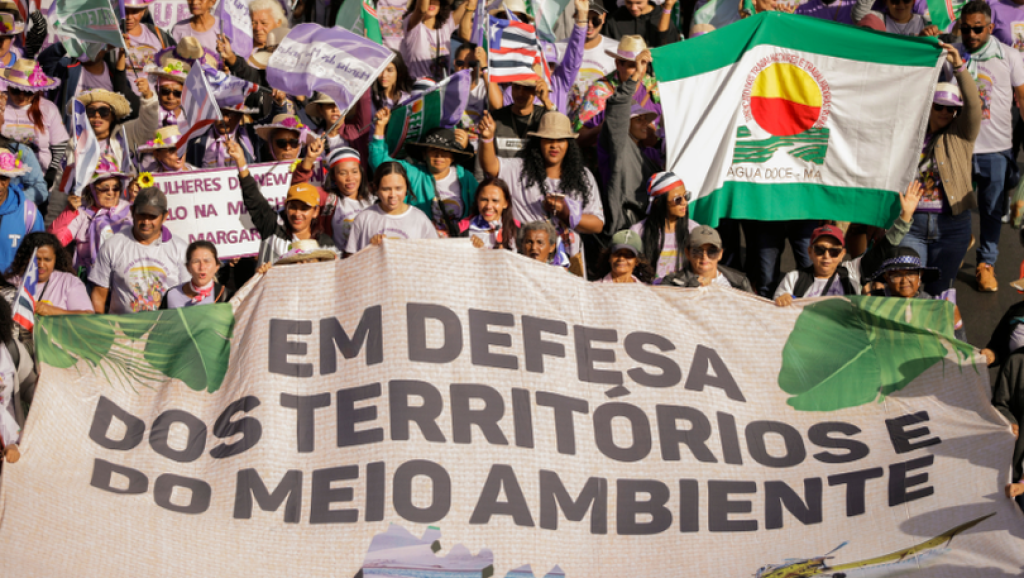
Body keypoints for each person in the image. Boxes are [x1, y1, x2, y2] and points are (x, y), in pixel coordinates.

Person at [898, 49, 981, 296]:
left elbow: (974, 106)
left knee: (940, 293)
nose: (945, 112)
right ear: (928, 106)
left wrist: (959, 68)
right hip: (911, 225)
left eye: (951, 109)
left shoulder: (961, 134)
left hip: (952, 227)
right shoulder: (908, 132)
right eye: (939, 106)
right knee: (907, 290)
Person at [479, 110, 605, 272]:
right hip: (526, 263)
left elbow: (597, 225)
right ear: (538, 142)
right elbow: (490, 166)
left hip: (568, 265)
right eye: (548, 139)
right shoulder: (519, 169)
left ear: (569, 144)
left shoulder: (583, 176)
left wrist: (566, 213)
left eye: (560, 140)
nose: (554, 145)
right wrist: (487, 138)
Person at [956, 0, 1024, 291]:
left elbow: (1022, 98)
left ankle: (986, 264)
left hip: (996, 148)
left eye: (977, 29)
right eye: (966, 29)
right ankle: (959, 243)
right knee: (953, 206)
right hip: (958, 146)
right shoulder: (952, 54)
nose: (971, 35)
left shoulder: (1010, 56)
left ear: (990, 27)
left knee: (992, 210)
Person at [774, 184, 921, 305]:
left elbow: (884, 249)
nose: (826, 256)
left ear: (842, 254)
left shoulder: (852, 272)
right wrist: (781, 300)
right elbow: (776, 314)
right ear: (810, 252)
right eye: (820, 250)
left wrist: (905, 216)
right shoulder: (794, 278)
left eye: (834, 252)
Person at [226, 139, 336, 266]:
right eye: (293, 207)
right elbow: (253, 197)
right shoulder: (272, 227)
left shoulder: (324, 242)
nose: (297, 213)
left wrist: (309, 159)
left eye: (304, 208)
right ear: (286, 207)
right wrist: (240, 161)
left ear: (316, 211)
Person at [371, 112, 478, 236]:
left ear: (453, 156)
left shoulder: (466, 178)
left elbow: (479, 207)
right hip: (420, 240)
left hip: (457, 242)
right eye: (433, 150)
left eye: (445, 151)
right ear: (424, 154)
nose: (439, 155)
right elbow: (380, 163)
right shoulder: (413, 173)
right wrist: (380, 127)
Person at [88, 187, 189, 314]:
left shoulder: (180, 248)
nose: (146, 221)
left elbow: (189, 294)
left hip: (168, 325)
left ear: (165, 216)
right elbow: (99, 294)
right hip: (122, 325)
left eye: (152, 216)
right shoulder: (112, 245)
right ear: (132, 211)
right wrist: (100, 325)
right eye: (141, 214)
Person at [601, 49, 661, 235]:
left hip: (648, 227)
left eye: (646, 119)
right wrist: (637, 74)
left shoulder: (650, 153)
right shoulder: (618, 145)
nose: (645, 124)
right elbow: (616, 106)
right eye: (638, 119)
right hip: (623, 227)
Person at [50, 155, 132, 275]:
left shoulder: (130, 211)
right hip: (88, 277)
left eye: (116, 188)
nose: (111, 193)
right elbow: (54, 242)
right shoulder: (81, 213)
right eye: (104, 188)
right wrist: (69, 211)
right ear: (91, 188)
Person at [574, 35, 661, 147]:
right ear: (618, 64)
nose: (639, 70)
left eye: (643, 63)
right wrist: (603, 127)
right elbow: (578, 138)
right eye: (633, 65)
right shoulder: (600, 91)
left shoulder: (656, 90)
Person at [344, 161, 439, 255]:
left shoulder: (419, 219)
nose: (393, 195)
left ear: (406, 187)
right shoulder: (363, 218)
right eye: (386, 189)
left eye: (398, 188)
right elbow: (350, 258)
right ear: (376, 188)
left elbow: (435, 253)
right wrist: (370, 248)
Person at [0, 59, 67, 170]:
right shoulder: (1, 101)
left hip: (38, 173)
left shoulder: (48, 108)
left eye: (28, 92)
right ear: (8, 86)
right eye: (16, 90)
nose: (21, 96)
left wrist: (53, 171)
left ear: (36, 91)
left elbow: (60, 144)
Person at [5, 232, 93, 316]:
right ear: (27, 259)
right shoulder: (11, 283)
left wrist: (53, 312)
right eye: (36, 259)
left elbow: (88, 316)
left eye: (47, 259)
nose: (41, 264)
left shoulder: (69, 282)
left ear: (55, 259)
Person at [632, 172, 698, 282]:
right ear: (658, 202)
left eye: (686, 196)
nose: (685, 203)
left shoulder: (694, 230)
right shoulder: (638, 232)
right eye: (678, 199)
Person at [563, 0, 619, 117]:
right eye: (585, 18)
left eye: (595, 20)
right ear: (575, 16)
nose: (590, 24)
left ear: (604, 18)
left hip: (601, 121)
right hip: (565, 120)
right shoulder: (559, 48)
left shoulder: (617, 50)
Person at [662, 225, 754, 291]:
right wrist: (691, 289)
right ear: (687, 253)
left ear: (720, 254)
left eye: (712, 251)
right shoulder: (671, 283)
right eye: (698, 251)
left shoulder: (740, 282)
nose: (704, 256)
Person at [400, 0, 471, 81]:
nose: (432, 2)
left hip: (441, 88)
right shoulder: (412, 24)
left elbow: (469, 3)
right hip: (418, 87)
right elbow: (421, 10)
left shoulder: (446, 25)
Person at [186, 98, 261, 168]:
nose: (224, 119)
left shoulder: (252, 135)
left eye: (231, 114)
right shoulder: (196, 141)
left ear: (239, 115)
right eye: (219, 113)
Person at [325, 147, 375, 251]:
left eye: (354, 172)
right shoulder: (329, 202)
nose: (350, 178)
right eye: (343, 173)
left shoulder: (374, 201)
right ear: (333, 176)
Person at [123, 0, 176, 97]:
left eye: (134, 12)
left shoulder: (158, 34)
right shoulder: (112, 38)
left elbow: (177, 66)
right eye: (125, 11)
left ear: (143, 11)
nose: (129, 17)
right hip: (129, 102)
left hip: (158, 100)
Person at [0, 150, 40, 274]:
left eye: (3, 178)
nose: (0, 184)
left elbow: (39, 254)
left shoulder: (29, 212)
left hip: (12, 283)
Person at [160, 240, 232, 308]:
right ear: (188, 267)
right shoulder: (172, 295)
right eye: (196, 261)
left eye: (207, 261)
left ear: (217, 266)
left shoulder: (227, 297)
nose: (202, 267)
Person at [460, 177, 520, 250]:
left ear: (506, 203)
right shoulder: (462, 230)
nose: (488, 206)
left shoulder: (519, 231)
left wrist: (483, 250)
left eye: (495, 200)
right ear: (477, 200)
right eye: (484, 199)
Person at [604, 0, 680, 47]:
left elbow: (668, 49)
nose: (633, 7)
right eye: (629, 2)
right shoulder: (614, 19)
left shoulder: (663, 18)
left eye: (639, 3)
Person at [854, 0, 938, 36]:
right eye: (895, 0)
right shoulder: (878, 19)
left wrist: (927, 37)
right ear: (886, 2)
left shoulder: (926, 23)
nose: (901, 5)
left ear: (913, 2)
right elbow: (859, 15)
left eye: (906, 0)